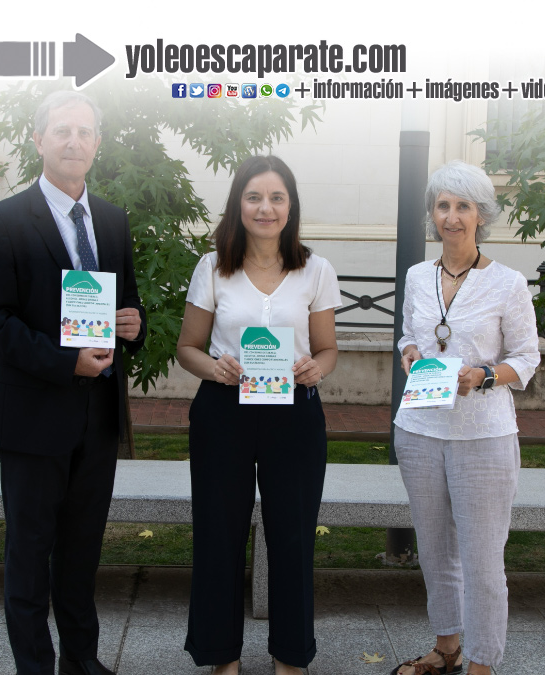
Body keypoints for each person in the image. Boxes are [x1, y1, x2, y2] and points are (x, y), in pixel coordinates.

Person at [0, 89, 146, 675]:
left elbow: (127, 304)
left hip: (97, 418)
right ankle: (35, 668)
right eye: (62, 131)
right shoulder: (0, 222)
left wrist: (134, 325)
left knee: (82, 551)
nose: (74, 142)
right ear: (39, 139)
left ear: (97, 143)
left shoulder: (113, 220)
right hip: (33, 417)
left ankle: (82, 660)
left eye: (84, 132)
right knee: (29, 554)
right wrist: (64, 361)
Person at [176, 155, 340, 675]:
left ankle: (290, 656)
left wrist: (316, 368)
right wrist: (215, 368)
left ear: (291, 206)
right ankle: (220, 655)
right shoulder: (213, 267)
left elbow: (328, 350)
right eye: (253, 197)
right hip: (223, 410)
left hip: (293, 413)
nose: (265, 208)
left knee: (292, 536)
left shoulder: (316, 269)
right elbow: (187, 348)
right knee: (218, 533)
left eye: (276, 198)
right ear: (238, 205)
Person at [391, 161, 540, 675]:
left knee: (482, 559)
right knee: (435, 552)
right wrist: (409, 352)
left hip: (483, 436)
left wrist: (483, 375)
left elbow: (527, 359)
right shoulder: (417, 276)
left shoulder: (508, 283)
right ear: (432, 213)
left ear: (481, 215)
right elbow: (409, 334)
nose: (451, 217)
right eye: (443, 206)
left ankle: (482, 663)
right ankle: (447, 649)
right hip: (419, 431)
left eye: (463, 206)